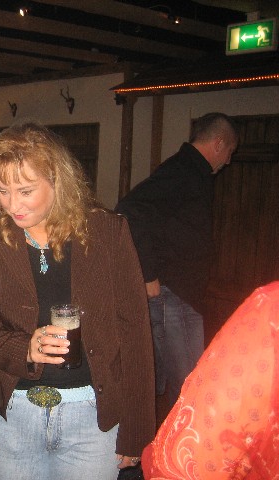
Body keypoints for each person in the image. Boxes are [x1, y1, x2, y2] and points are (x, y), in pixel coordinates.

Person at [0, 122, 156, 479]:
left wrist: (137, 429)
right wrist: (25, 348)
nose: (12, 205)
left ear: (56, 179)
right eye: (2, 191)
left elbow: (135, 333)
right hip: (14, 418)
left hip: (92, 418)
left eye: (25, 190)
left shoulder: (107, 232)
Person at [115, 112, 238, 416]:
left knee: (170, 381)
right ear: (219, 143)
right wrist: (148, 273)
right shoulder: (183, 170)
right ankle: (177, 442)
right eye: (230, 152)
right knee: (189, 384)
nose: (229, 161)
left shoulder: (192, 171)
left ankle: (162, 439)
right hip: (175, 294)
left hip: (179, 293)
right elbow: (130, 210)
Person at [142, 281, 279, 478]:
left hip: (192, 291)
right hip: (175, 289)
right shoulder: (270, 311)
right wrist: (150, 277)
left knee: (183, 383)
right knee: (181, 384)